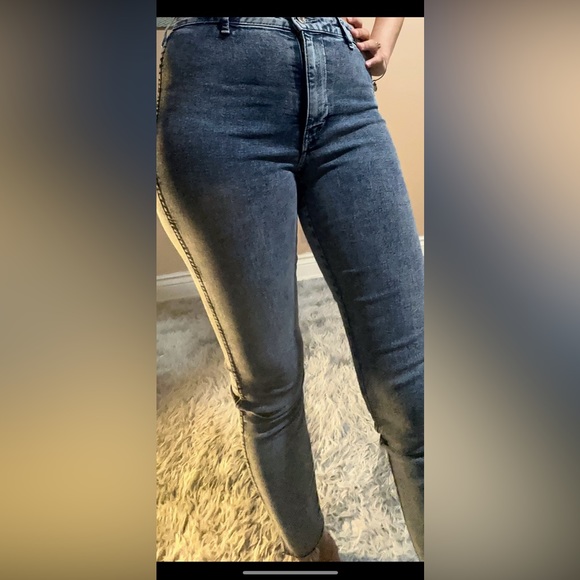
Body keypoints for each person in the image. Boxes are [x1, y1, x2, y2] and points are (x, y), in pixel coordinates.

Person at [156, 17, 423, 563]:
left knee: (414, 386)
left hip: (341, 79)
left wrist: (388, 35)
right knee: (269, 379)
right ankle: (310, 550)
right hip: (216, 83)